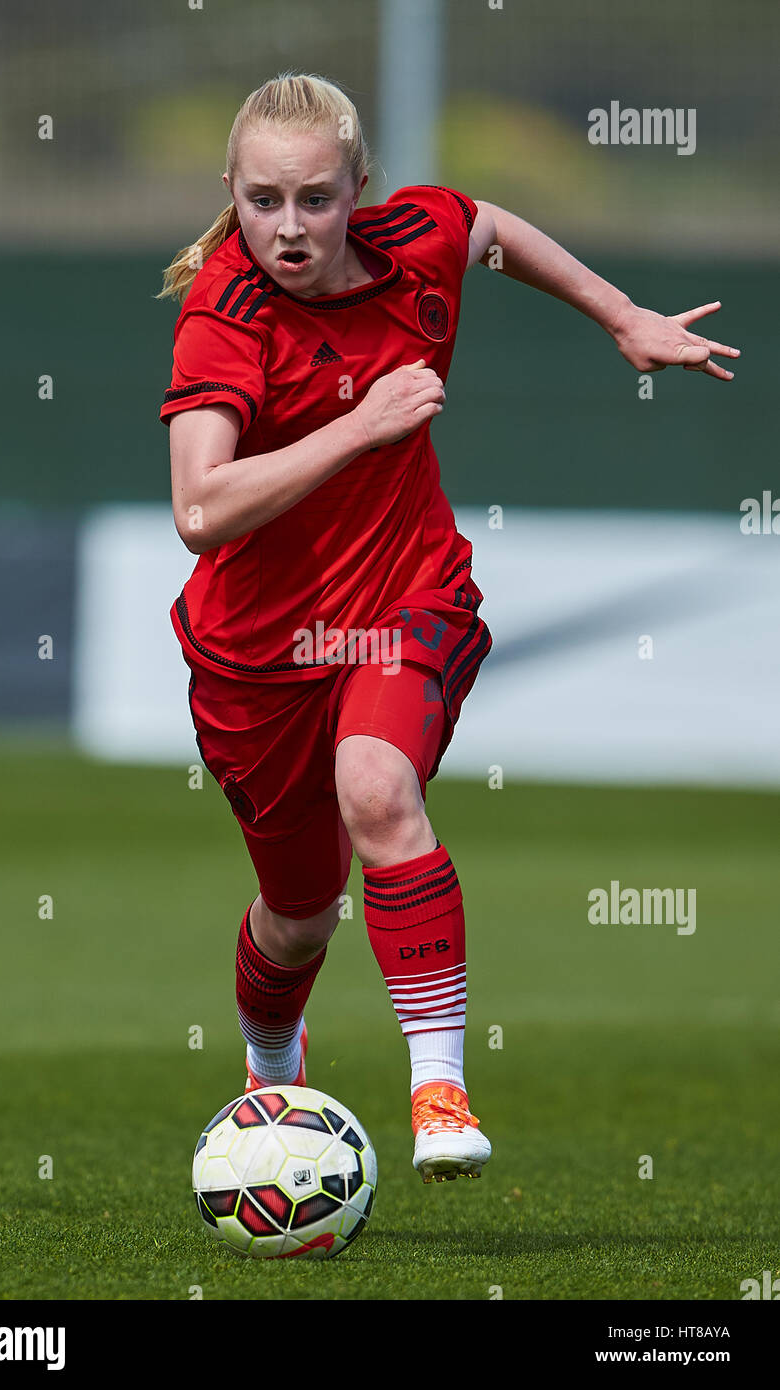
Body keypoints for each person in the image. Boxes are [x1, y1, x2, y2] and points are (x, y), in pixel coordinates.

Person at [157, 72, 738, 1184]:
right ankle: (272, 1058)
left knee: (378, 788)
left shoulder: (414, 237)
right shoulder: (222, 316)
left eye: (316, 200)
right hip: (255, 655)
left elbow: (486, 226)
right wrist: (359, 426)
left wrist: (621, 316)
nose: (289, 227)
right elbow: (198, 509)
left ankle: (438, 1086)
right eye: (266, 200)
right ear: (229, 190)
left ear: (358, 190)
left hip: (403, 599)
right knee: (297, 914)